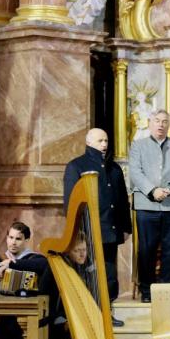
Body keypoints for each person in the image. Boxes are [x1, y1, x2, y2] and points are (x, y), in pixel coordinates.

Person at [63, 128, 131, 326]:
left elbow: (121, 201)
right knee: (89, 272)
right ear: (89, 142)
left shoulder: (114, 168)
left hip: (110, 228)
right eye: (100, 140)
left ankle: (107, 312)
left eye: (106, 140)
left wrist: (126, 227)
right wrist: (76, 231)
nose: (104, 144)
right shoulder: (76, 165)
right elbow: (70, 202)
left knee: (109, 273)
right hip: (88, 229)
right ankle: (89, 313)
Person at [129, 110, 170, 303]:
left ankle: (166, 289)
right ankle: (147, 290)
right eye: (157, 121)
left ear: (169, 125)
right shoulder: (138, 146)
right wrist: (152, 190)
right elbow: (135, 172)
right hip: (146, 206)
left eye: (165, 121)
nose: (161, 125)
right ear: (150, 123)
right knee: (146, 250)